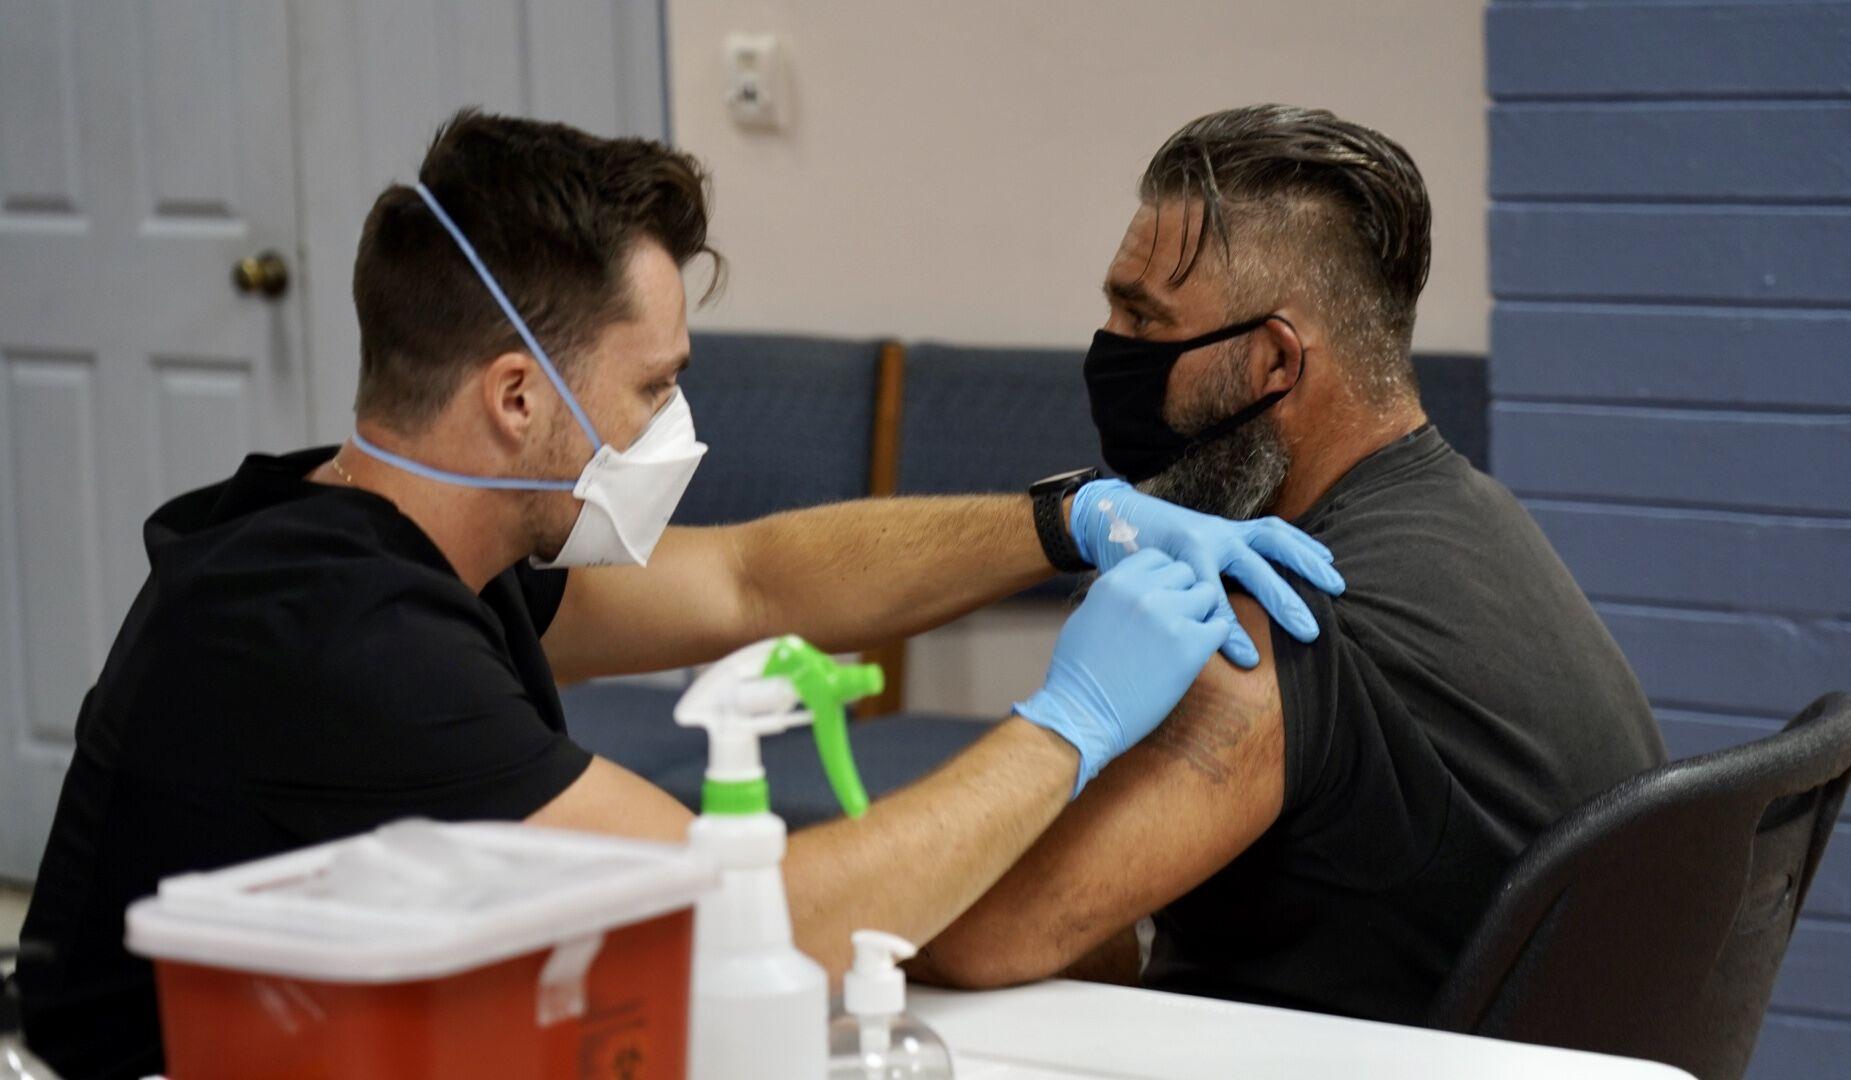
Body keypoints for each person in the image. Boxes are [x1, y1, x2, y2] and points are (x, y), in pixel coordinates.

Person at [14, 110, 1345, 1080]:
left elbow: (750, 576)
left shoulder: (387, 533)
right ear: (518, 396)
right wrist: (1070, 720)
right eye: (652, 386)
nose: (674, 424)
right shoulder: (337, 635)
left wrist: (1067, 522)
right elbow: (751, 928)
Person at [912, 105, 1667, 1024]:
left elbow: (977, 937)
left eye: (1142, 318)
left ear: (1273, 360)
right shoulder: (1474, 515)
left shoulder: (1279, 622)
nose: (1108, 347)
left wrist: (1067, 725)